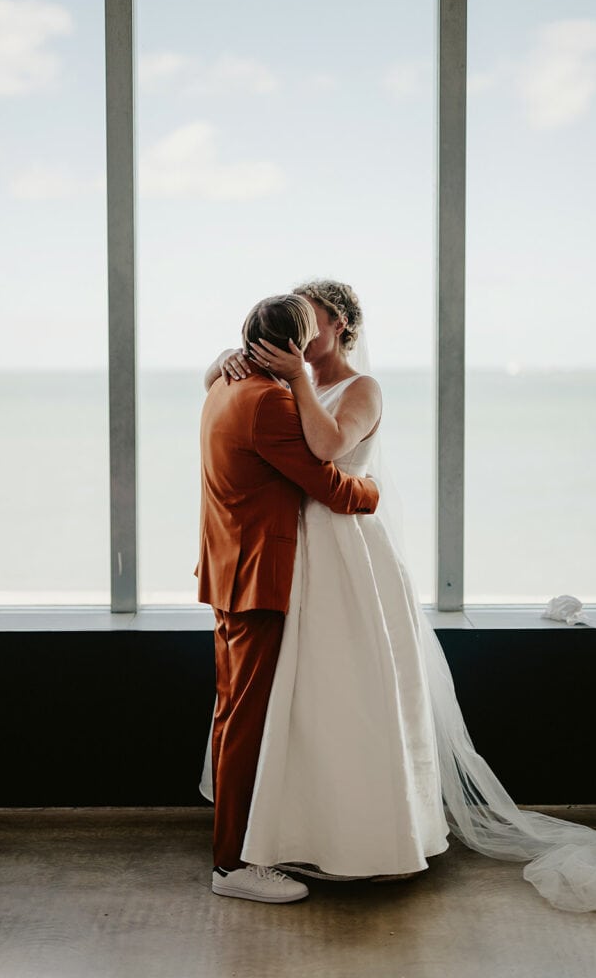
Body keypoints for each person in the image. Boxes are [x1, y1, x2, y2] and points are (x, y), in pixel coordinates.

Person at [202, 279, 596, 912]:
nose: (300, 336)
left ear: (341, 327)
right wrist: (231, 362)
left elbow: (327, 453)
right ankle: (284, 832)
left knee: (352, 694)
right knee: (300, 701)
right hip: (296, 555)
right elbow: (260, 424)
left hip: (346, 554)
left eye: (313, 323)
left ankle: (364, 836)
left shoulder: (359, 388)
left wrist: (297, 386)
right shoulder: (273, 385)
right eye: (295, 326)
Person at [197, 292, 380, 904]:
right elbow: (325, 482)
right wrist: (373, 492)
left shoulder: (224, 387)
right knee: (248, 719)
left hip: (228, 569)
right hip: (258, 575)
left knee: (232, 713)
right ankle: (232, 867)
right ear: (295, 345)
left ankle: (242, 841)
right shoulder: (271, 401)